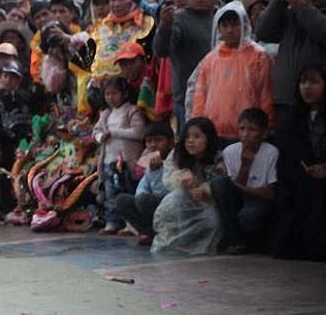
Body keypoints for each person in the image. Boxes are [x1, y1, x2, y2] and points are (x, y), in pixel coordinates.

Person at [255, 0, 326, 146]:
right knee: (289, 163)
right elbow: (263, 32)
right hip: (286, 100)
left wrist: (302, 6)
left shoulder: (302, 10)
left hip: (319, 105)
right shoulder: (292, 13)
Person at [192, 2, 274, 142]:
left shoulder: (259, 56)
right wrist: (198, 126)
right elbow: (200, 95)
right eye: (224, 25)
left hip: (247, 134)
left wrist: (268, 125)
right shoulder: (210, 59)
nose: (229, 30)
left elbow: (266, 93)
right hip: (213, 133)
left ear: (244, 25)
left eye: (235, 24)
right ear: (218, 28)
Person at [271, 67, 326, 261]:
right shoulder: (291, 119)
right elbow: (286, 158)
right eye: (303, 83)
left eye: (314, 82)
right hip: (300, 186)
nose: (307, 88)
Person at [154, 0, 219, 133]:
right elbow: (162, 50)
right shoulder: (179, 18)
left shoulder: (223, 18)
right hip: (187, 101)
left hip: (220, 97)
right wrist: (165, 27)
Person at [151, 117, 224, 255]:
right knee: (175, 199)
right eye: (187, 137)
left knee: (212, 219)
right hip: (184, 200)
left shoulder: (217, 157)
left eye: (196, 136)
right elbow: (168, 181)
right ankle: (182, 242)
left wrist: (204, 190)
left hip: (207, 203)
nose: (190, 141)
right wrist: (182, 177)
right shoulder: (177, 155)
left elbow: (219, 182)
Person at [211, 108, 277, 255]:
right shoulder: (230, 151)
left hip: (259, 199)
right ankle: (235, 240)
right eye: (242, 129)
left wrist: (239, 186)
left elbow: (270, 194)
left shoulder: (271, 153)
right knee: (218, 183)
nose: (245, 135)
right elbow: (231, 189)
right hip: (240, 197)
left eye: (252, 130)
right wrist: (244, 167)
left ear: (264, 133)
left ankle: (254, 243)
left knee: (249, 216)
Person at [92, 76, 146, 235]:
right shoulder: (106, 114)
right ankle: (112, 222)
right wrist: (100, 137)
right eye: (107, 94)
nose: (111, 97)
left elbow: (139, 132)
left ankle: (131, 224)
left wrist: (113, 132)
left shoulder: (131, 111)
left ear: (124, 93)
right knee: (111, 193)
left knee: (129, 191)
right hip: (110, 161)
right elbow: (95, 132)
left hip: (128, 162)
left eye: (114, 93)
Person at [116, 122, 176, 246]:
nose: (153, 145)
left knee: (143, 200)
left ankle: (167, 234)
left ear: (170, 142)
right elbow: (141, 188)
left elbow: (167, 194)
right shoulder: (151, 162)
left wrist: (155, 173)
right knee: (122, 200)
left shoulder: (176, 160)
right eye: (149, 141)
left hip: (173, 207)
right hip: (157, 205)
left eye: (158, 140)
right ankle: (153, 234)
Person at [0, 60, 31, 220]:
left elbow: (31, 121)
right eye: (6, 76)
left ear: (19, 79)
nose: (9, 80)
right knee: (1, 173)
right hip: (3, 142)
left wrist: (29, 143)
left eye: (13, 77)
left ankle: (19, 204)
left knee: (20, 172)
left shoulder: (26, 97)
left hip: (21, 142)